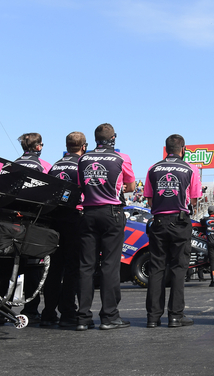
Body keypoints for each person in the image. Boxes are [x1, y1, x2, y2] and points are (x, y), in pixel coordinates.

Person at [76, 123, 136, 330]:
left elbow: (80, 185)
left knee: (86, 266)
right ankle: (109, 316)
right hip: (111, 213)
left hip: (88, 212)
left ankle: (82, 317)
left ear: (95, 139)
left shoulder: (83, 159)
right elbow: (131, 186)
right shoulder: (122, 158)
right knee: (110, 265)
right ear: (114, 139)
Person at [143, 134, 201, 328]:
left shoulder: (153, 168)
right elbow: (193, 200)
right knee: (178, 269)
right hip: (180, 221)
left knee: (156, 268)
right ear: (183, 149)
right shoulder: (190, 169)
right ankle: (175, 316)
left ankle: (153, 317)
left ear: (166, 149)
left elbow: (149, 200)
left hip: (158, 221)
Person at [42, 132, 87, 328]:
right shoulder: (82, 166)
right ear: (83, 147)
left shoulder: (55, 166)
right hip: (73, 218)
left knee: (54, 267)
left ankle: (48, 311)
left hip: (54, 218)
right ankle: (68, 311)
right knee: (72, 268)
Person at [11, 132, 53, 323]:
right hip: (34, 221)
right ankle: (31, 310)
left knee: (8, 264)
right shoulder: (43, 166)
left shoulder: (12, 164)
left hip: (11, 222)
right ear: (38, 147)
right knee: (34, 265)